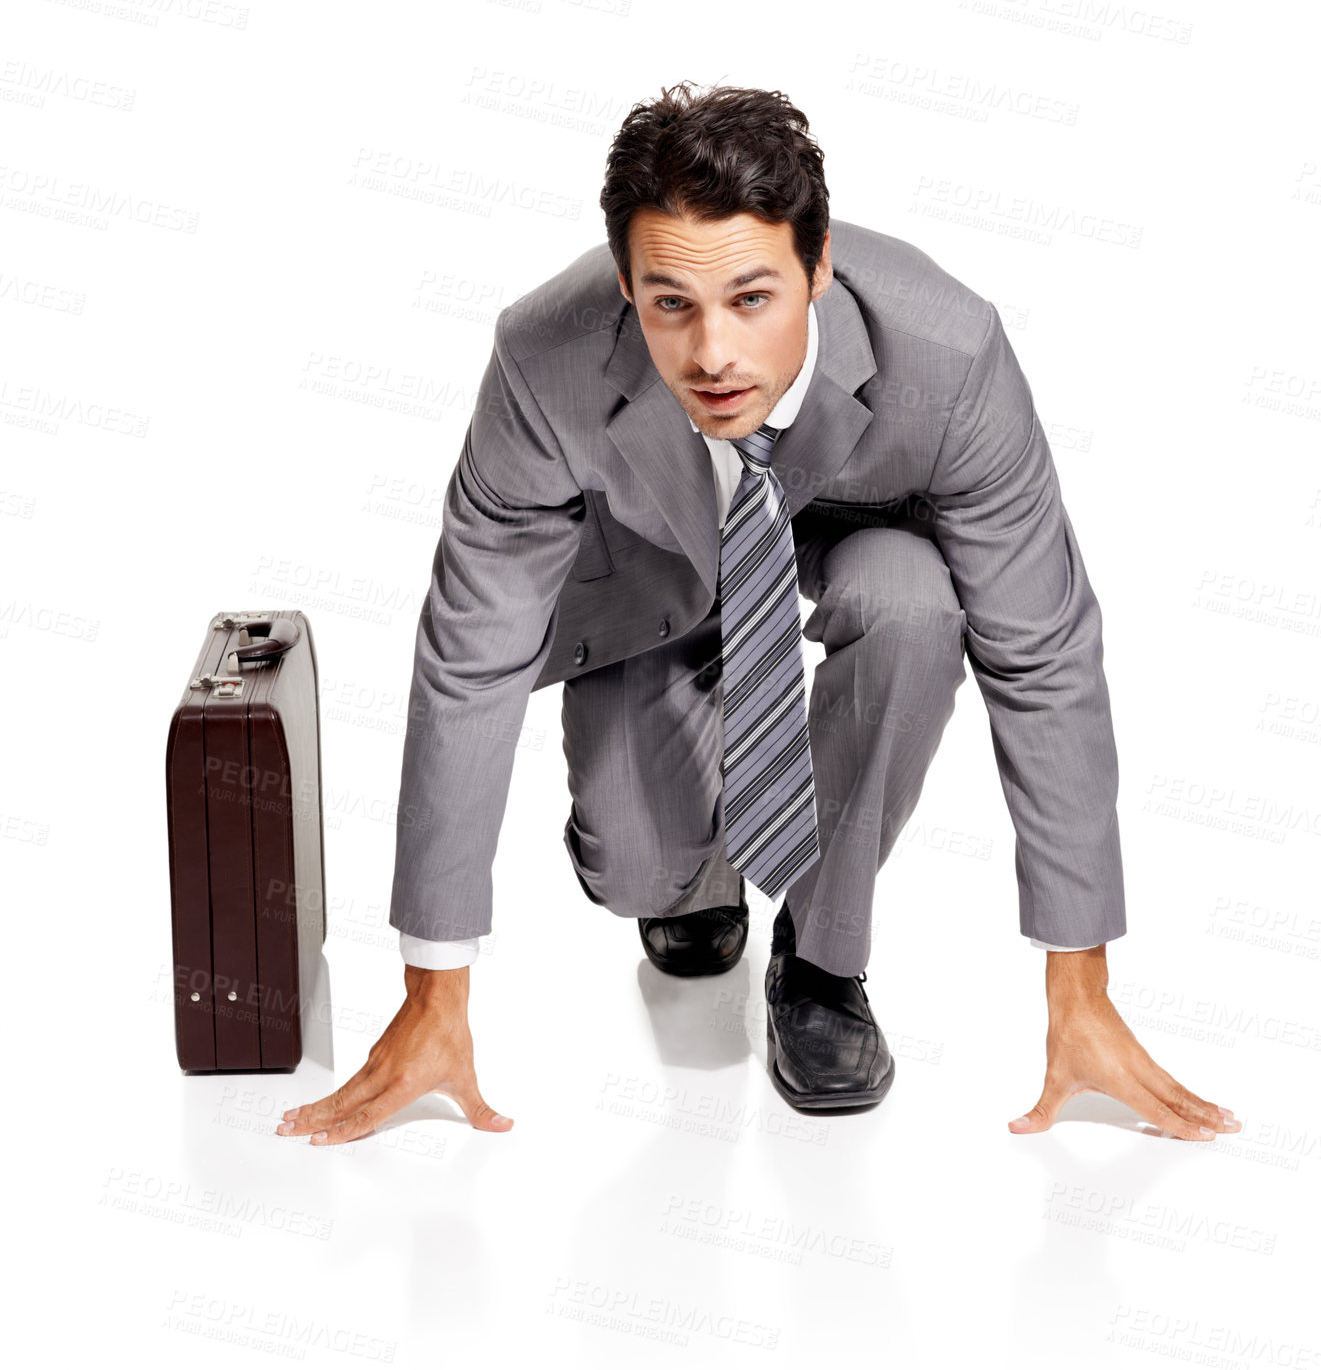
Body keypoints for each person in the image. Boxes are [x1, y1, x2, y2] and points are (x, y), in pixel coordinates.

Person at [278, 81, 1240, 1147]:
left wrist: (1081, 987)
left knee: (915, 602)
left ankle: (821, 962)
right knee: (637, 867)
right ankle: (696, 869)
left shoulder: (951, 356)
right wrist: (434, 992)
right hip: (659, 571)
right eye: (670, 304)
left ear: (817, 266)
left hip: (863, 537)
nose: (713, 356)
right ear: (625, 284)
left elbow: (1042, 649)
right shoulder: (542, 361)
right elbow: (470, 656)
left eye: (751, 298)